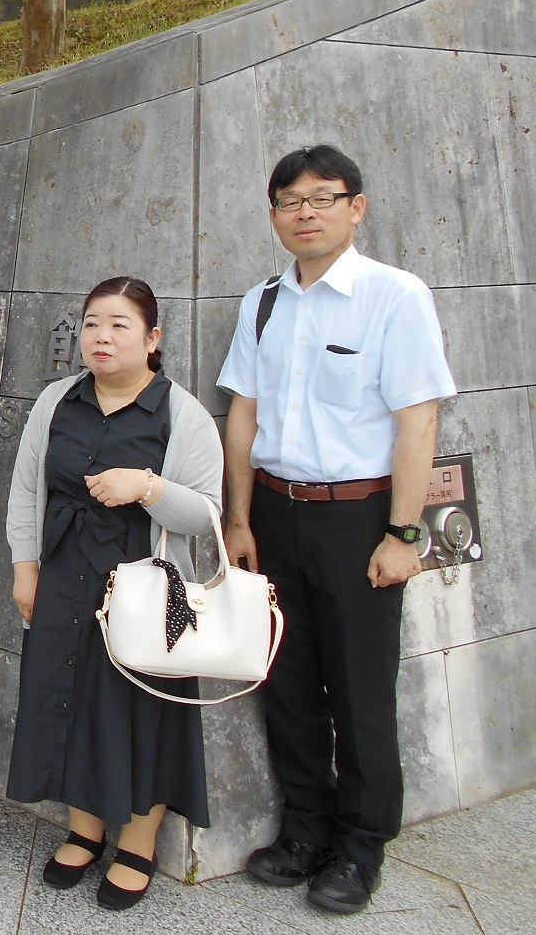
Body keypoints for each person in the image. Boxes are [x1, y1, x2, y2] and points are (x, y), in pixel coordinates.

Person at [217, 145, 455, 914]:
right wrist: (240, 518)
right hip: (276, 514)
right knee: (284, 681)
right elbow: (243, 415)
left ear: (357, 206)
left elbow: (417, 421)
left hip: (361, 518)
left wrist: (403, 534)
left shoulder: (395, 296)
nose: (306, 212)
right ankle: (305, 830)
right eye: (290, 200)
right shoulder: (263, 302)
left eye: (324, 197)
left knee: (359, 689)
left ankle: (360, 844)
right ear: (275, 215)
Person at [4, 278, 223, 911]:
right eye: (92, 324)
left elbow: (208, 514)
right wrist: (25, 566)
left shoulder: (183, 416)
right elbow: (26, 490)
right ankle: (84, 827)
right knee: (67, 695)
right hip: (66, 574)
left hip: (149, 587)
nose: (101, 336)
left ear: (153, 340)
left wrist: (149, 488)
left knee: (142, 710)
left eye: (120, 325)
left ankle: (140, 840)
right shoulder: (56, 401)